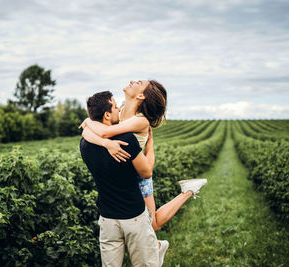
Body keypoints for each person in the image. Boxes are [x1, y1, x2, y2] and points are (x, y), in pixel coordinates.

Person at [80, 80, 207, 236]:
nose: (132, 81)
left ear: (141, 95)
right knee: (141, 225)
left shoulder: (140, 120)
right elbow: (88, 133)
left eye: (138, 83)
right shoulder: (119, 111)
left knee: (152, 224)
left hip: (138, 175)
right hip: (122, 173)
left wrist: (88, 123)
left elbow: (103, 132)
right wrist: (102, 140)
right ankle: (153, 248)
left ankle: (188, 191)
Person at [80, 91, 160, 266]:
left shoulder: (85, 143)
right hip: (134, 217)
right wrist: (150, 147)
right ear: (107, 115)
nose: (119, 110)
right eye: (116, 107)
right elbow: (146, 172)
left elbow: (88, 132)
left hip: (107, 218)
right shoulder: (126, 140)